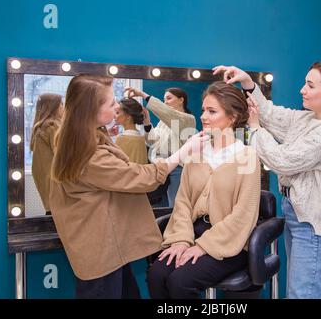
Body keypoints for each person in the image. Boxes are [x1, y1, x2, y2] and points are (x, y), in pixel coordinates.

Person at [49, 74, 208, 299]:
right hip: (100, 249)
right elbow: (137, 175)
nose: (116, 107)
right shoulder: (87, 152)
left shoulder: (81, 137)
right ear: (91, 110)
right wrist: (182, 152)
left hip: (106, 247)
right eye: (111, 103)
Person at [213, 62, 321, 299]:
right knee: (301, 290)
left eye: (310, 85)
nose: (302, 90)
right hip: (296, 212)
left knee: (304, 293)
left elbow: (284, 160)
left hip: (314, 220)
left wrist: (256, 129)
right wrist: (247, 82)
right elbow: (269, 113)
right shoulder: (307, 119)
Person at [147, 81, 261, 299]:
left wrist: (203, 246)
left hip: (229, 240)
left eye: (212, 111)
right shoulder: (196, 152)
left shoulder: (248, 156)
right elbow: (183, 203)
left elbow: (243, 214)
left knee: (180, 282)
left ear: (233, 117)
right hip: (192, 231)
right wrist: (181, 240)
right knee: (157, 274)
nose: (203, 117)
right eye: (203, 110)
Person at [125, 86, 196, 208]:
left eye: (169, 98)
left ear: (181, 100)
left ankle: (176, 226)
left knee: (176, 205)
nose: (165, 102)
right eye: (164, 99)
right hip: (161, 166)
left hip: (178, 169)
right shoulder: (163, 123)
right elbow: (152, 140)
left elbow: (167, 112)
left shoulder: (188, 120)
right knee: (161, 204)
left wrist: (142, 94)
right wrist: (147, 122)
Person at [30, 93, 64, 215]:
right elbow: (64, 153)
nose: (63, 107)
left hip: (46, 181)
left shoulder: (39, 127)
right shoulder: (52, 126)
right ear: (53, 107)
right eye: (61, 104)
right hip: (56, 183)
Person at [114, 97, 148, 164]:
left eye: (117, 113)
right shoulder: (141, 137)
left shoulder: (121, 138)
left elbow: (115, 166)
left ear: (128, 116)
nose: (114, 116)